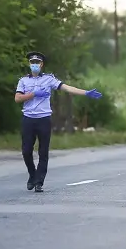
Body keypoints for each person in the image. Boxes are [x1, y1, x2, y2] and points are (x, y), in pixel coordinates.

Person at [14, 51, 103, 192]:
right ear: (29, 64)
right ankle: (32, 174)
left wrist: (85, 92)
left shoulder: (49, 79)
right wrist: (33, 94)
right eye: (32, 62)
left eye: (37, 62)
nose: (35, 65)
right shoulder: (24, 80)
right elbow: (18, 98)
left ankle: (39, 182)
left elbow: (67, 88)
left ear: (42, 64)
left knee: (43, 152)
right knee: (26, 151)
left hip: (43, 119)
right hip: (28, 119)